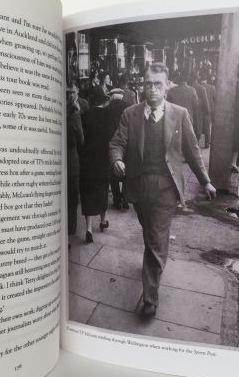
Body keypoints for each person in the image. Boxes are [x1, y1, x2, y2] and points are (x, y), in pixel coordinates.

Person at [109, 63, 216, 319]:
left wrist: (205, 181)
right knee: (150, 233)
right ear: (142, 85)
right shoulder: (130, 114)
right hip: (139, 185)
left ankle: (150, 299)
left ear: (166, 87)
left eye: (158, 84)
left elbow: (192, 151)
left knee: (157, 239)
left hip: (166, 188)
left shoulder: (180, 114)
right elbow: (116, 143)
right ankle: (153, 262)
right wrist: (117, 160)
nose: (153, 89)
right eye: (148, 83)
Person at [80, 89, 113, 243]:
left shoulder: (84, 116)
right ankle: (103, 221)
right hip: (103, 159)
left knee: (87, 192)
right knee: (102, 190)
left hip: (87, 160)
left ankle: (88, 229)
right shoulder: (108, 116)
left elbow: (81, 138)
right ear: (103, 100)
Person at [105, 88, 130, 210]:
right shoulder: (129, 108)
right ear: (121, 96)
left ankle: (116, 199)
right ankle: (125, 199)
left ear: (112, 96)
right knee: (126, 170)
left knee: (113, 171)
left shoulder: (107, 109)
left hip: (112, 143)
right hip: (127, 143)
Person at [66, 101, 84, 236]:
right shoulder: (75, 117)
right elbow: (81, 140)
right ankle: (70, 229)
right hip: (71, 160)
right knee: (72, 197)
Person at [200, 70, 216, 148]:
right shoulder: (212, 87)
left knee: (199, 125)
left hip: (201, 109)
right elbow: (214, 98)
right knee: (207, 126)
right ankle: (207, 142)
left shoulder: (198, 87)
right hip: (210, 109)